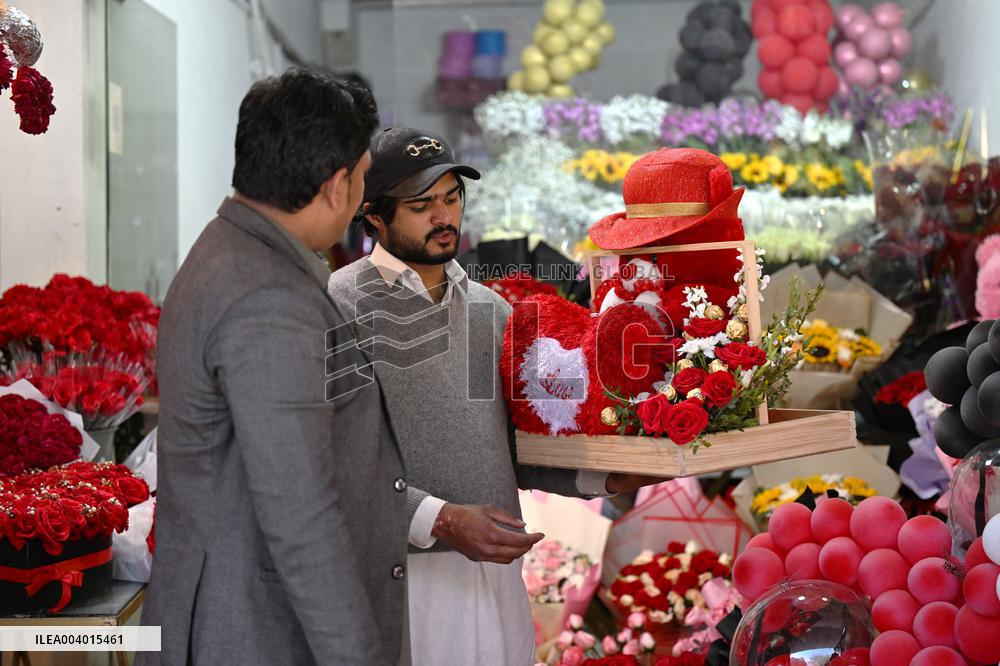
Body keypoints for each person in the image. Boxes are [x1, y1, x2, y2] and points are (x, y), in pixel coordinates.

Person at [327, 127, 662, 665]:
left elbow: (515, 445)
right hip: (402, 576)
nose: (444, 216)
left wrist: (606, 475)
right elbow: (330, 458)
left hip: (498, 574)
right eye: (420, 205)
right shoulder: (340, 306)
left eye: (452, 197)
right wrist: (439, 519)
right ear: (373, 215)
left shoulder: (489, 309)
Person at [138, 68, 408, 666]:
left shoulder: (229, 249)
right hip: (251, 628)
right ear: (337, 185)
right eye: (364, 179)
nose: (363, 199)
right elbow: (300, 513)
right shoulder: (267, 298)